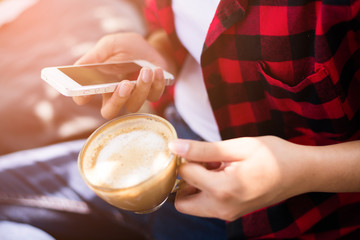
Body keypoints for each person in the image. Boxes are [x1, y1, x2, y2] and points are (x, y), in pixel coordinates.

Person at [0, 0, 359, 239]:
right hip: (165, 142)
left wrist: (301, 171)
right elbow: (179, 29)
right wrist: (157, 52)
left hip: (291, 206)